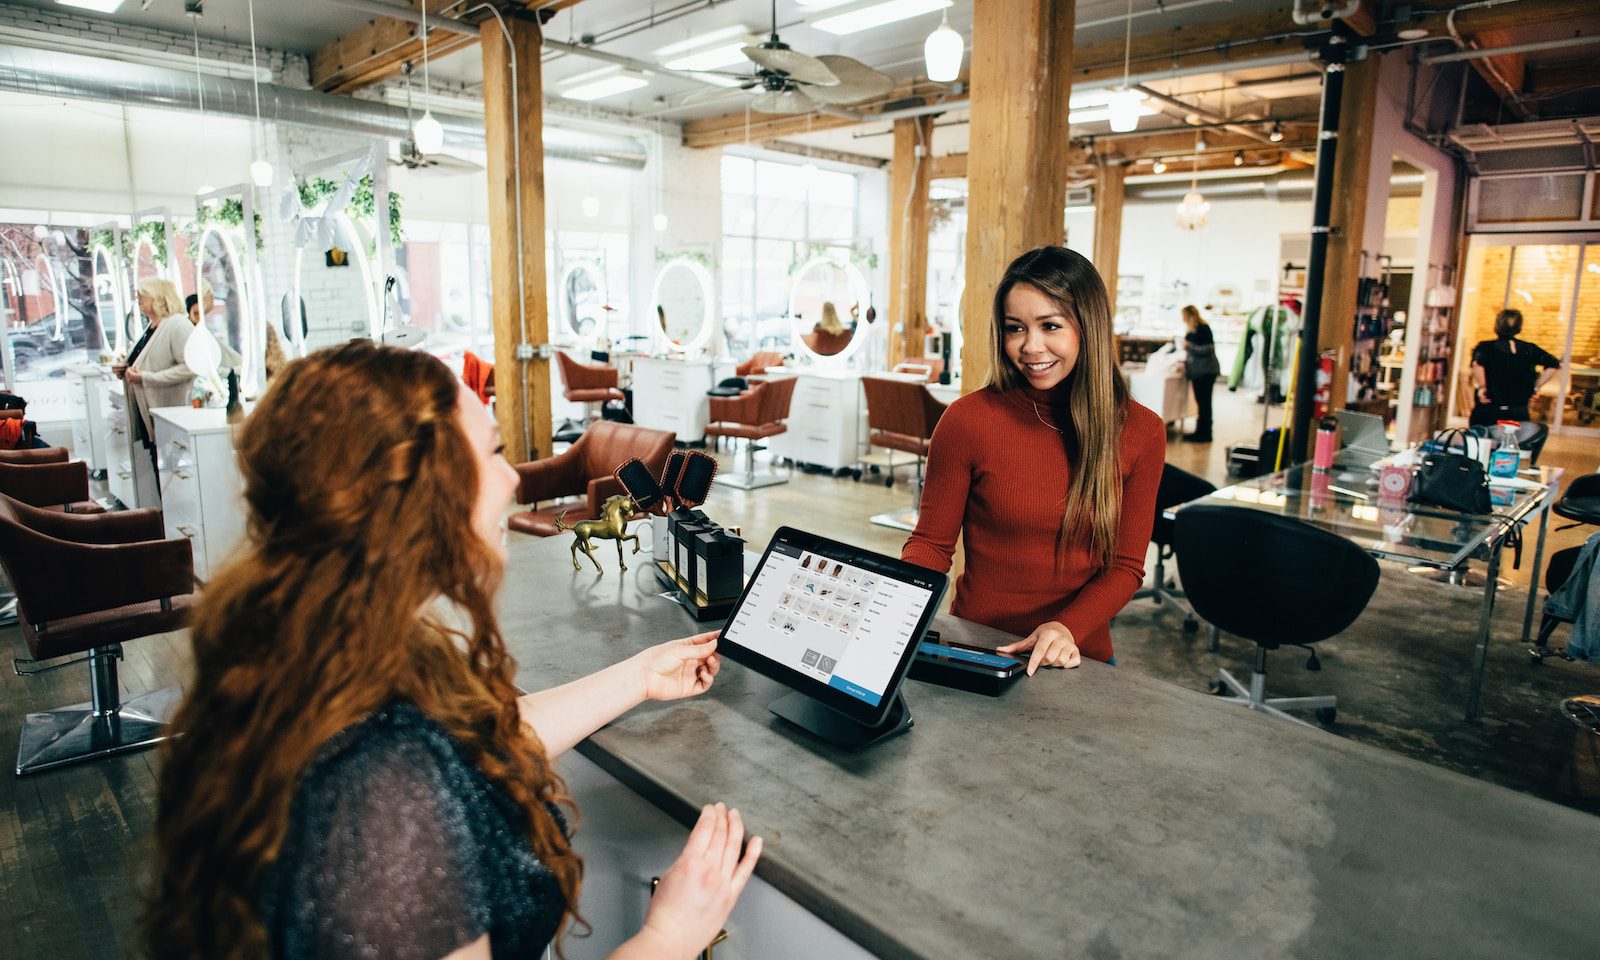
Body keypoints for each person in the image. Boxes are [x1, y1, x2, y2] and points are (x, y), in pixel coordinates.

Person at [142, 342, 761, 960]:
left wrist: (637, 677)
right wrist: (672, 935)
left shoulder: (319, 646)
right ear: (415, 492)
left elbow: (471, 744)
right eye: (493, 452)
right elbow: (417, 762)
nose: (513, 478)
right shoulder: (382, 798)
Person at [903, 246, 1165, 673]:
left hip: (1077, 656)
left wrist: (1065, 627)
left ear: (1088, 328)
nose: (1030, 346)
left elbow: (1126, 566)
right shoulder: (967, 421)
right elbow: (931, 545)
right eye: (1015, 328)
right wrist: (894, 607)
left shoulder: (1140, 430)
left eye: (1050, 325)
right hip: (978, 648)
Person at [121, 278, 193, 446]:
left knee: (168, 465)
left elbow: (189, 367)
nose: (138, 298)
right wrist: (125, 369)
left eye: (142, 295)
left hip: (169, 410)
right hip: (149, 408)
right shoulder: (153, 326)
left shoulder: (178, 325)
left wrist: (146, 377)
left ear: (158, 297)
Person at [1470, 308, 1561, 426]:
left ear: (1497, 325)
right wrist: (1536, 387)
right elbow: (1553, 364)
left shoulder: (1485, 347)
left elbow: (1477, 364)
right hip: (1518, 410)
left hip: (1490, 407)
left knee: (1482, 441)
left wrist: (1482, 387)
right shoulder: (1530, 349)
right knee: (1516, 440)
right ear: (1519, 327)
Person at [1181, 305, 1221, 442]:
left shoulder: (1203, 328)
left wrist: (1189, 346)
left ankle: (1205, 433)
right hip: (1199, 372)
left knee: (1204, 403)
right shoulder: (1192, 329)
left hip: (1206, 371)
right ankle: (1201, 431)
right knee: (1202, 403)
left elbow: (1208, 349)